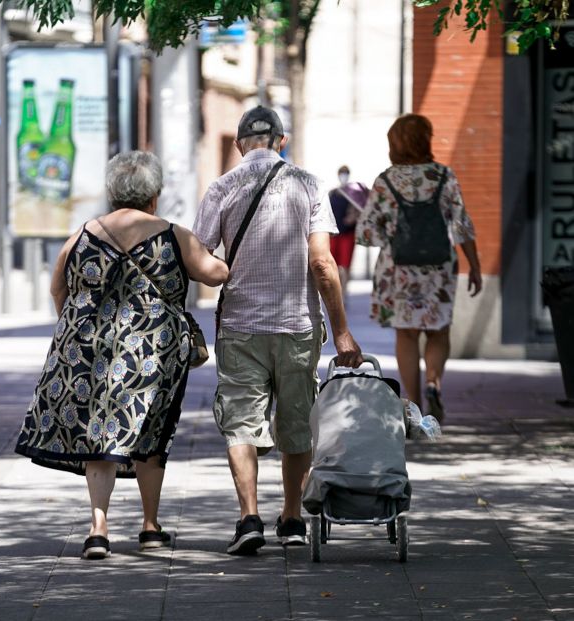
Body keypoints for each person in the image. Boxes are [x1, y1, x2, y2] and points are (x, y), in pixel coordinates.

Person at [15, 151, 228, 559]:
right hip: (154, 352)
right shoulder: (172, 233)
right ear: (155, 195)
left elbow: (58, 287)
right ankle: (150, 527)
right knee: (152, 432)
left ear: (112, 193)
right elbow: (215, 273)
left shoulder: (82, 233)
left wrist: (77, 328)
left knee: (99, 435)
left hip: (90, 349)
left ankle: (98, 529)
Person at [193, 106, 362, 556]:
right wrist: (342, 331)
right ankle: (291, 519)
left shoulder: (221, 188)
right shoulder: (308, 185)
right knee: (296, 423)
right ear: (282, 141)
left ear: (239, 144)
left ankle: (248, 517)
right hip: (297, 326)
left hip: (240, 327)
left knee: (241, 424)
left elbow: (201, 258)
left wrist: (223, 274)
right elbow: (323, 263)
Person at [356, 114, 482, 422]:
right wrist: (475, 266)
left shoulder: (386, 181)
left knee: (407, 335)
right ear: (425, 140)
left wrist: (391, 235)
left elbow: (365, 232)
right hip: (438, 267)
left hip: (399, 270)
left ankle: (413, 407)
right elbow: (462, 224)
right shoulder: (443, 176)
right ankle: (433, 383)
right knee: (438, 331)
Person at [329, 165, 369, 298]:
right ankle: (336, 291)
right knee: (333, 265)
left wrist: (352, 218)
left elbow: (361, 210)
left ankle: (343, 293)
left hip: (347, 234)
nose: (343, 175)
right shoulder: (333, 193)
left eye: (345, 173)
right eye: (342, 173)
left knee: (345, 266)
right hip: (334, 234)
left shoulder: (354, 193)